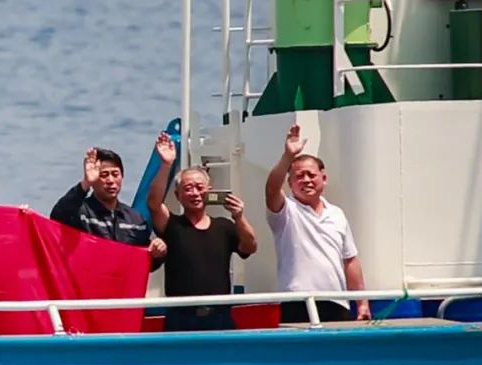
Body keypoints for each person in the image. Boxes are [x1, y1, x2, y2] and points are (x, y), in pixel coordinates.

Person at [147, 132, 258, 331]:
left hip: (220, 316)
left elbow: (250, 246)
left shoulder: (225, 226)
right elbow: (154, 204)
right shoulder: (172, 225)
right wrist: (166, 164)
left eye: (199, 187)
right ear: (178, 195)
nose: (195, 193)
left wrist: (239, 217)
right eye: (188, 188)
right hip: (180, 318)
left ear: (209, 190)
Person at [264, 124, 370, 322]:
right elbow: (271, 189)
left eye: (311, 175)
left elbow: (350, 260)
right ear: (290, 184)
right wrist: (288, 156)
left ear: (324, 178)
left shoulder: (337, 214)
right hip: (297, 303)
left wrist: (362, 303)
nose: (306, 180)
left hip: (337, 302)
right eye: (299, 176)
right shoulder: (286, 211)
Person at [50, 147, 167, 263]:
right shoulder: (81, 213)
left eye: (115, 174)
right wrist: (86, 183)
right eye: (104, 175)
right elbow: (57, 217)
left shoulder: (135, 220)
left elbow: (146, 260)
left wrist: (158, 252)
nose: (110, 180)